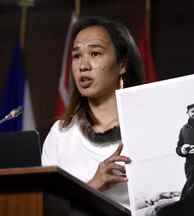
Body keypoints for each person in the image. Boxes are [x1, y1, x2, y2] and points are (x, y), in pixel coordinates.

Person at [41, 16, 143, 208]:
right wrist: (95, 185)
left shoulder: (148, 125)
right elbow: (46, 208)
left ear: (122, 64)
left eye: (95, 54)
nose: (83, 66)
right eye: (77, 56)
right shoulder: (60, 134)